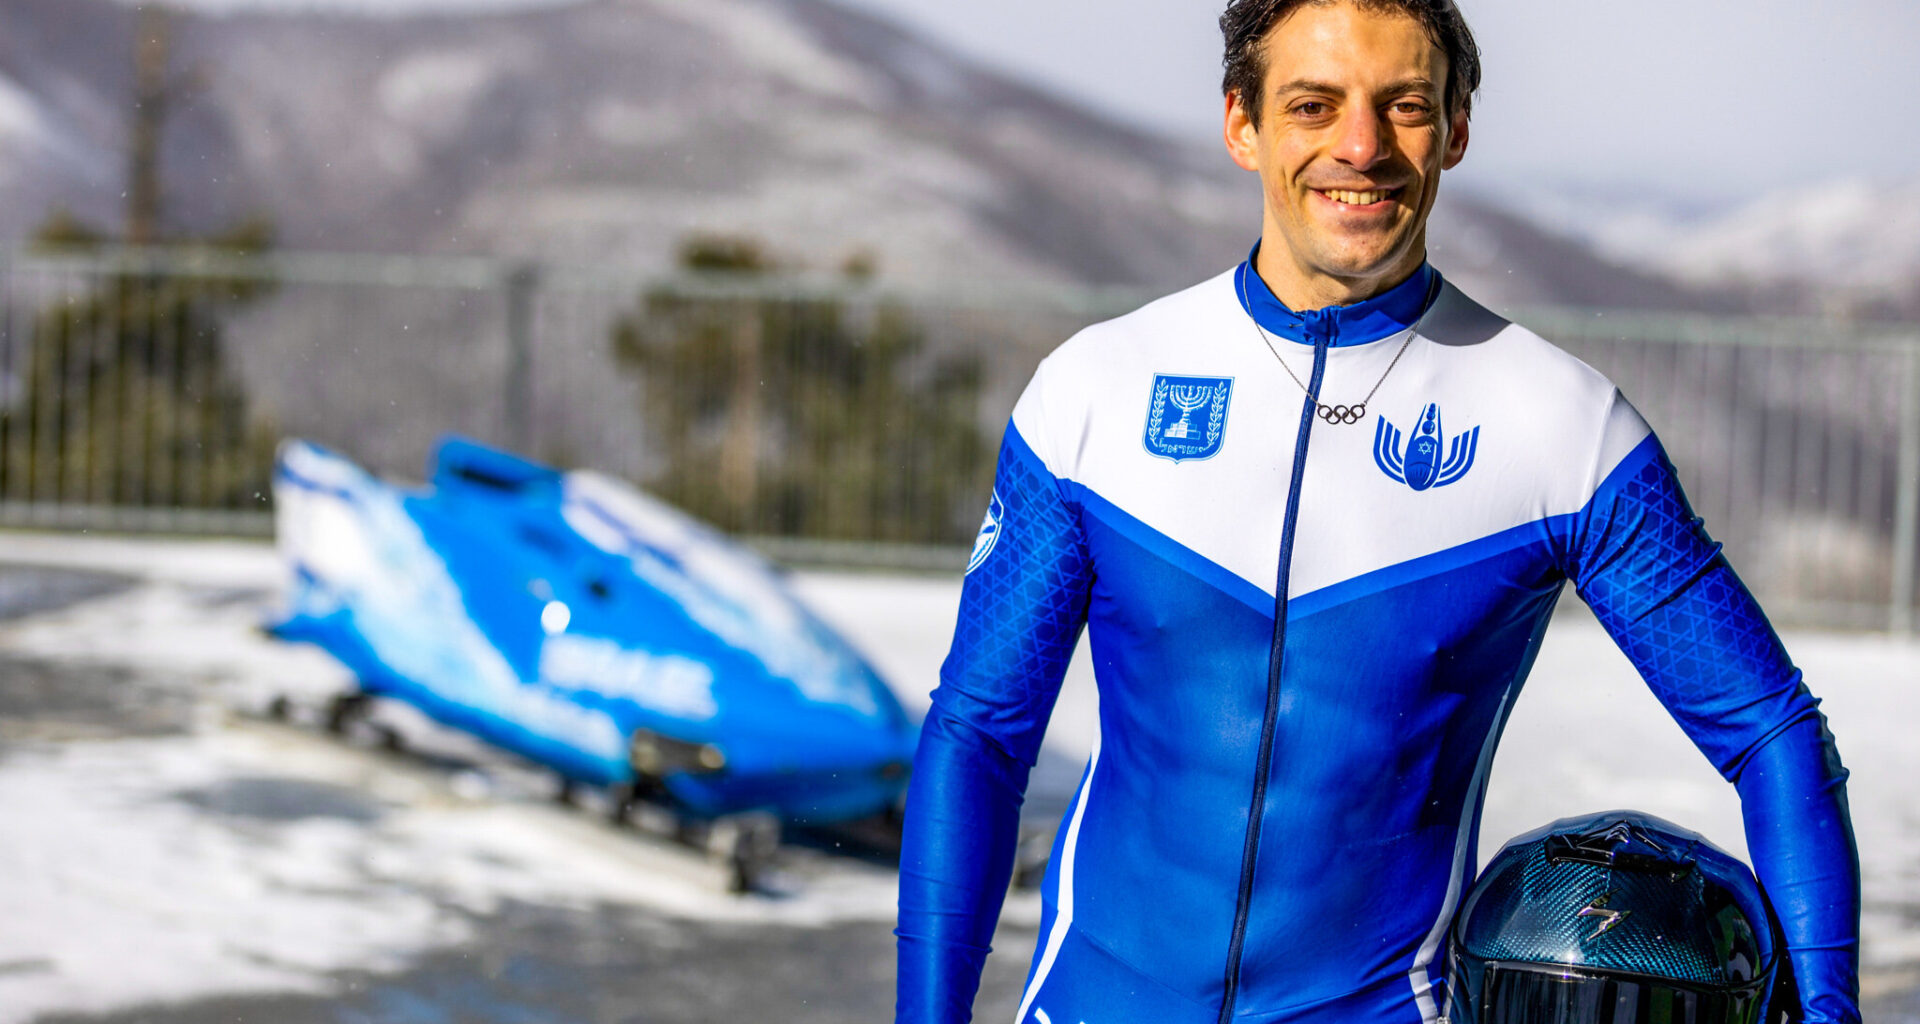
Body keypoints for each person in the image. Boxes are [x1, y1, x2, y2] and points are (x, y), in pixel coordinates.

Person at [894, 2, 1861, 1022]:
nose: (1361, 147)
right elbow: (981, 735)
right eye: (1314, 104)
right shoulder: (1094, 392)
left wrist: (1831, 1008)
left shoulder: (1559, 425)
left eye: (1403, 107)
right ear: (1242, 122)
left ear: (1455, 127)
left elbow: (1772, 731)